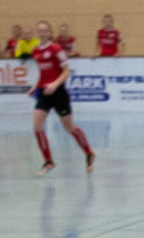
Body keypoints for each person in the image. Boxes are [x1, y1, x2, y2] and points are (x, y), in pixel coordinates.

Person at [27, 20, 95, 176]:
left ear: (50, 33)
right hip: (44, 93)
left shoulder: (56, 49)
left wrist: (54, 85)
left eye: (45, 31)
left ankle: (89, 152)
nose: (42, 33)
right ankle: (48, 161)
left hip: (58, 93)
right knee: (37, 126)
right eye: (40, 31)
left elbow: (66, 72)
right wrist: (35, 86)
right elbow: (43, 74)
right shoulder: (35, 51)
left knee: (69, 127)